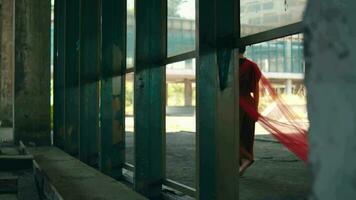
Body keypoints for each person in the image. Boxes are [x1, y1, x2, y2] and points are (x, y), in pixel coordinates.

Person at [238, 46, 262, 176]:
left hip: (233, 104)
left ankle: (246, 159)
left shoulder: (228, 66)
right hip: (248, 103)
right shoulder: (252, 66)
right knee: (246, 135)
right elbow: (257, 91)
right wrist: (255, 109)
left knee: (230, 135)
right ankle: (244, 160)